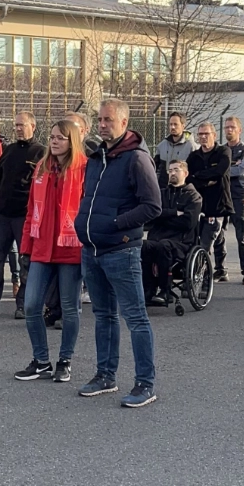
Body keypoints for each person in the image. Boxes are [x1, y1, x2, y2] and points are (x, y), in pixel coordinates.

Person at [74, 97, 162, 408]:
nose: (102, 125)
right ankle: (105, 375)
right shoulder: (97, 156)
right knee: (103, 316)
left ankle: (145, 384)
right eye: (99, 120)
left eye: (108, 120)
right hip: (92, 249)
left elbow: (152, 206)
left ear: (124, 123)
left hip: (121, 250)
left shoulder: (136, 159)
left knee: (135, 318)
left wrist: (115, 224)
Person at [15, 116, 86, 384]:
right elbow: (31, 209)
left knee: (70, 309)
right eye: (52, 137)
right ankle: (41, 360)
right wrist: (26, 247)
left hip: (71, 249)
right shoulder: (42, 169)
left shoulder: (83, 169)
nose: (54, 142)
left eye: (59, 138)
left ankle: (64, 361)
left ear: (72, 141)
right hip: (41, 248)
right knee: (32, 304)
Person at [0, 110, 42, 319]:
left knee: (26, 261)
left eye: (21, 125)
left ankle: (23, 305)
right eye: (15, 125)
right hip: (2, 214)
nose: (18, 129)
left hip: (23, 216)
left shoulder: (40, 152)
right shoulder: (9, 150)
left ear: (32, 126)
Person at [141, 159, 203, 306]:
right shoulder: (160, 194)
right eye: (170, 171)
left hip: (181, 242)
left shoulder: (193, 196)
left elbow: (188, 223)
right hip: (157, 238)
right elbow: (150, 217)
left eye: (176, 170)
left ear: (186, 173)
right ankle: (148, 290)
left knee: (164, 246)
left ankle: (165, 291)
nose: (172, 173)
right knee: (143, 246)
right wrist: (174, 213)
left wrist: (162, 216)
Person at [185, 123, 232, 280]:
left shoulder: (223, 152)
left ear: (214, 135)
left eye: (206, 133)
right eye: (200, 134)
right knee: (218, 237)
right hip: (200, 203)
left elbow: (220, 171)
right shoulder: (194, 156)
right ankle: (222, 269)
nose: (203, 137)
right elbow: (188, 177)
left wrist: (199, 175)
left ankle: (201, 278)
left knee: (207, 241)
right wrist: (204, 181)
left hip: (218, 204)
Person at [219, 116, 244, 284]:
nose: (229, 130)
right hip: (221, 195)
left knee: (243, 235)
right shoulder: (220, 150)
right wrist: (227, 168)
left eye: (232, 127)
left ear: (239, 130)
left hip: (240, 196)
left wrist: (222, 170)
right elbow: (216, 170)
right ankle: (220, 270)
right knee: (218, 233)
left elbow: (241, 169)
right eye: (226, 127)